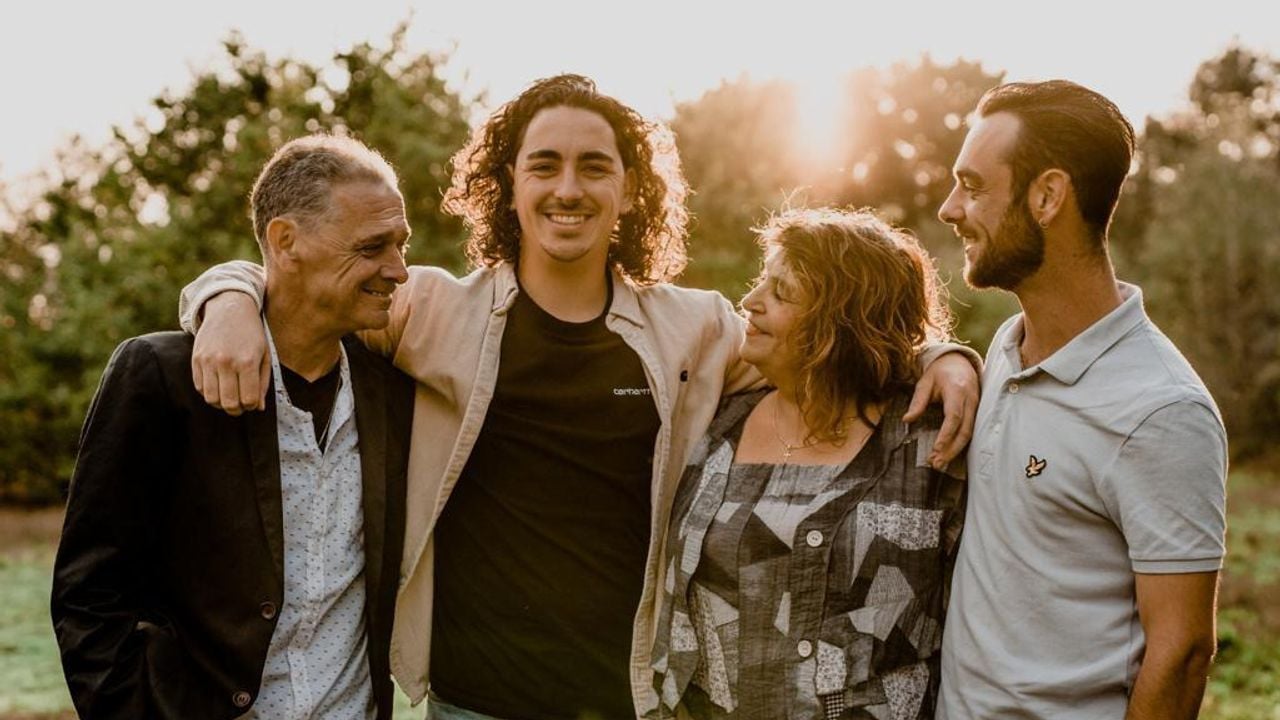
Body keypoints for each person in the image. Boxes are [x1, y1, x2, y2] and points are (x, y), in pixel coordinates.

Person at [178, 75, 980, 719]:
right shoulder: (431, 309)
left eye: (595, 166)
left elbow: (834, 342)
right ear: (509, 186)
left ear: (631, 192)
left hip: (627, 699)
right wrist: (227, 299)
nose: (569, 188)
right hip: (470, 700)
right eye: (544, 165)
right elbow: (302, 276)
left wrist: (940, 354)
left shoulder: (694, 331)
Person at [51, 134, 416, 720]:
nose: (398, 270)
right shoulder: (160, 377)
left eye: (402, 244)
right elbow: (90, 596)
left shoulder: (396, 389)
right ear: (285, 240)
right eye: (373, 247)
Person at [935, 80, 1227, 718]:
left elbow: (1181, 655)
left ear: (1047, 196)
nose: (949, 209)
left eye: (974, 185)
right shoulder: (1006, 353)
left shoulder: (1161, 409)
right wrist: (944, 355)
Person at [649, 208, 966, 720]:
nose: (750, 303)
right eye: (760, 283)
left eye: (780, 293)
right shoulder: (716, 418)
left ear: (839, 324)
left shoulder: (932, 443)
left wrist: (949, 357)